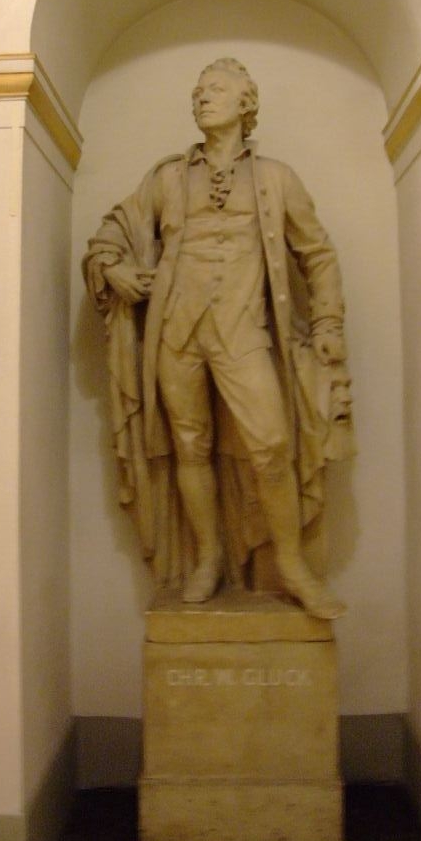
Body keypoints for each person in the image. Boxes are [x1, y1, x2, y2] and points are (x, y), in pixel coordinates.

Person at [83, 58, 354, 619]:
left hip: (243, 332)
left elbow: (318, 254)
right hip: (176, 332)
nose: (202, 97)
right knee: (191, 447)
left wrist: (327, 322)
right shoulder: (167, 178)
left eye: (216, 89)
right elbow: (114, 228)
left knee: (272, 447)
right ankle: (207, 557)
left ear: (246, 103)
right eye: (198, 90)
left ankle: (291, 564)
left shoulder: (276, 178)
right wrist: (114, 268)